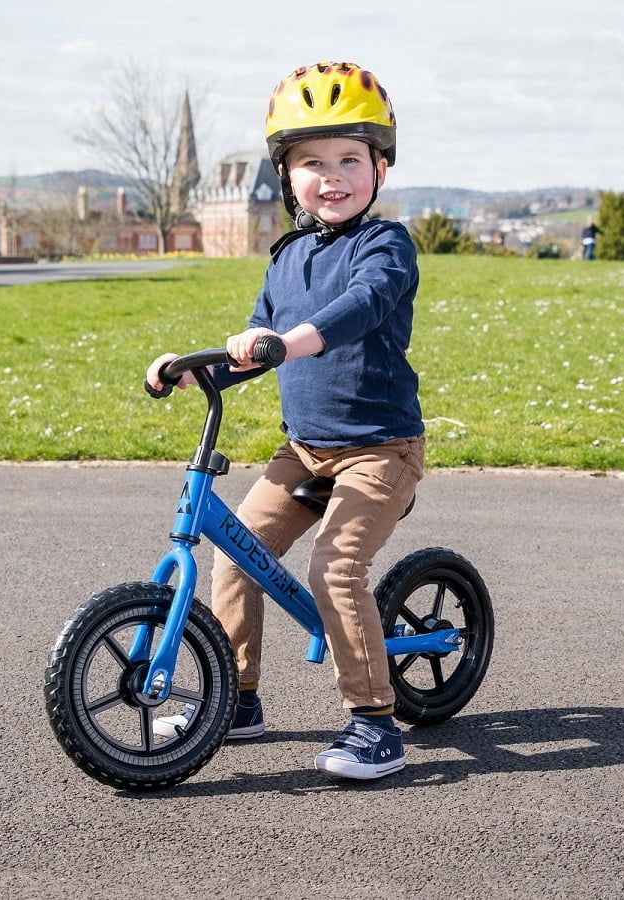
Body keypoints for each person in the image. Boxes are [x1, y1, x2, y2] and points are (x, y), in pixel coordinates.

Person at [145, 61, 424, 780]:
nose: (331, 176)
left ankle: (374, 723)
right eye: (311, 162)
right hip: (305, 454)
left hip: (379, 452)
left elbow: (358, 308)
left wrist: (290, 340)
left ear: (380, 168)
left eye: (349, 159)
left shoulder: (386, 246)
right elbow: (255, 347)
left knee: (335, 569)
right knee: (235, 553)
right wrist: (192, 366)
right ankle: (237, 703)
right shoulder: (287, 257)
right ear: (286, 175)